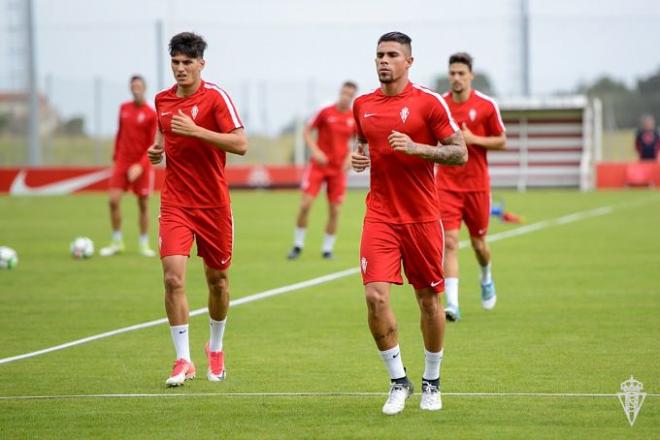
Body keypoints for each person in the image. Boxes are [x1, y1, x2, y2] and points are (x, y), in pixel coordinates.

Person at [351, 32, 467, 415]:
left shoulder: (428, 104)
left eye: (392, 55)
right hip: (380, 215)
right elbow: (363, 142)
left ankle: (432, 382)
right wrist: (360, 158)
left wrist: (418, 149)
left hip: (421, 218)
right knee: (374, 297)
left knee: (429, 301)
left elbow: (459, 152)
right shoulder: (362, 105)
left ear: (409, 62)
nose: (384, 61)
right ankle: (398, 381)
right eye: (379, 55)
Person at [147, 32, 248, 387]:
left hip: (213, 205)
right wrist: (157, 151)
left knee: (217, 281)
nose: (180, 69)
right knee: (173, 277)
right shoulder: (161, 101)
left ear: (201, 64)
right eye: (175, 62)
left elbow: (240, 143)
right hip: (175, 201)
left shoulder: (216, 98)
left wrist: (196, 130)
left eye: (187, 63)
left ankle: (215, 348)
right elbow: (162, 138)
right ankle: (182, 359)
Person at [436, 52, 506, 322]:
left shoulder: (486, 106)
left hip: (477, 186)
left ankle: (486, 275)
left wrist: (472, 138)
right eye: (452, 73)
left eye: (461, 73)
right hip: (446, 185)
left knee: (478, 244)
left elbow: (502, 141)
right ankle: (452, 304)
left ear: (470, 76)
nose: (456, 78)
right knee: (450, 243)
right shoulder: (439, 105)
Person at [287, 81, 358, 260]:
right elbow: (307, 131)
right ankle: (298, 245)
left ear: (353, 96)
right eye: (344, 93)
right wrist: (316, 151)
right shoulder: (326, 112)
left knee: (335, 210)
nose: (346, 97)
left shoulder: (353, 118)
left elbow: (359, 141)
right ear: (340, 92)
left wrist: (351, 156)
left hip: (338, 170)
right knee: (305, 205)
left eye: (350, 95)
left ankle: (327, 249)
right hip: (318, 166)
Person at [100, 75, 157, 257]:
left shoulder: (151, 113)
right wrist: (116, 155)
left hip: (142, 164)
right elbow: (120, 133)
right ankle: (117, 242)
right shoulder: (124, 108)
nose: (135, 88)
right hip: (122, 163)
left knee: (143, 204)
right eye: (133, 86)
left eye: (139, 85)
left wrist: (140, 166)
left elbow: (153, 143)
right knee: (113, 201)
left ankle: (143, 244)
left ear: (144, 88)